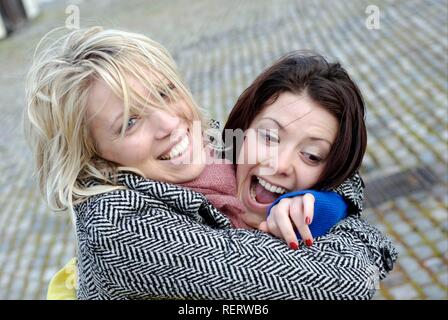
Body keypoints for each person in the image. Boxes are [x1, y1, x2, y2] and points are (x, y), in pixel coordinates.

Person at [25, 27, 397, 300]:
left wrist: (325, 203)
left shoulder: (212, 150)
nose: (170, 123)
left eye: (164, 92)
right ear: (93, 153)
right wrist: (339, 218)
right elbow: (344, 280)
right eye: (130, 122)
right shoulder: (118, 226)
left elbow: (344, 171)